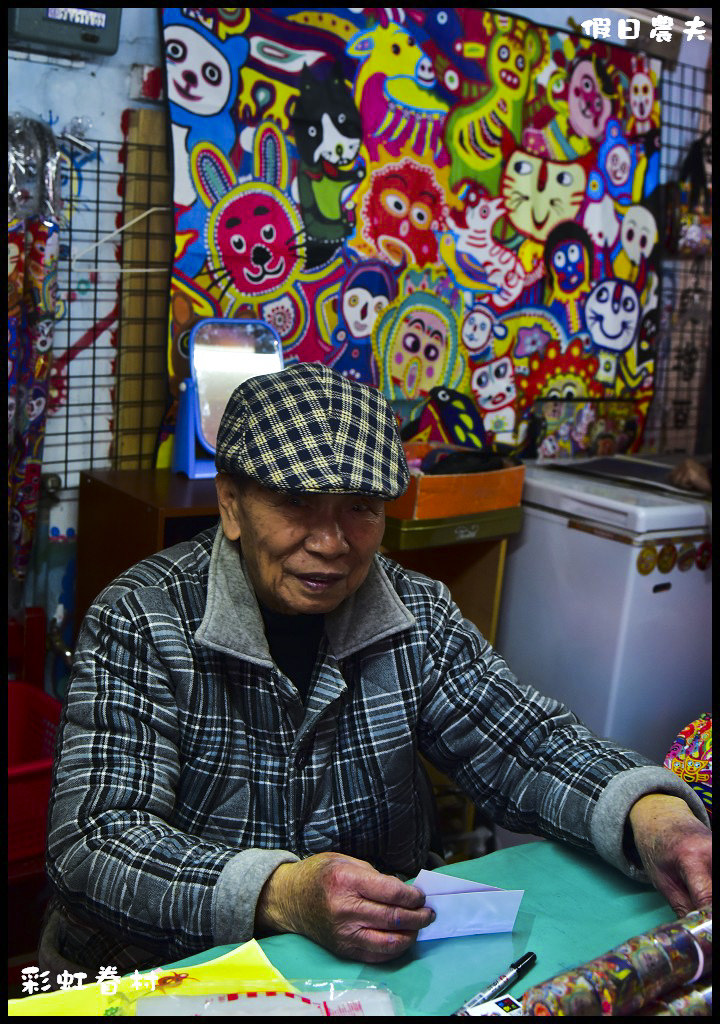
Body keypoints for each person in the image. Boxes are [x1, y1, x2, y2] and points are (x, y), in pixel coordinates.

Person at [40, 363, 711, 978]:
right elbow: (95, 842)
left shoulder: (416, 615)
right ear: (231, 503)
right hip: (173, 970)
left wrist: (652, 816)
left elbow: (526, 746)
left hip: (366, 971)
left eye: (360, 507)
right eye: (296, 502)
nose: (332, 544)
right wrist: (281, 892)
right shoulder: (139, 621)